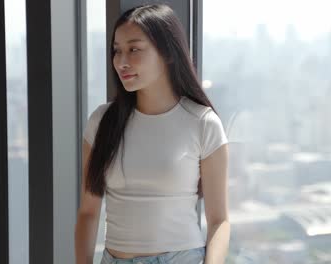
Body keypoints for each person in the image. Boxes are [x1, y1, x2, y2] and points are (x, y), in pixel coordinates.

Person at [74, 4, 230, 264]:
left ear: (167, 53)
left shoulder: (203, 123)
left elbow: (219, 220)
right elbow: (88, 213)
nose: (121, 62)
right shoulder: (101, 122)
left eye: (134, 49)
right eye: (117, 51)